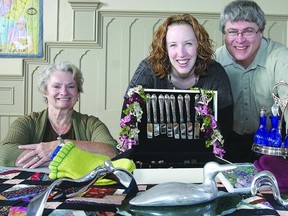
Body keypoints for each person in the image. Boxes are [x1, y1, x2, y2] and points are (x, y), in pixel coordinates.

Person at [123, 14, 234, 148]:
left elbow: (225, 132)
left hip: (203, 158)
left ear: (199, 45)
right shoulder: (147, 71)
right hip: (152, 154)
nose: (181, 53)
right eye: (173, 45)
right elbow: (128, 124)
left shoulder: (215, 73)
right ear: (165, 48)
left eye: (188, 44)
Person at [0, 62, 119, 168]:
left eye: (71, 86)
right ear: (45, 91)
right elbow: (4, 154)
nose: (64, 92)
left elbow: (112, 152)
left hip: (79, 188)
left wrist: (62, 145)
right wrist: (70, 158)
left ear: (78, 92)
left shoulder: (92, 124)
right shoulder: (27, 122)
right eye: (56, 86)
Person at [215, 0, 288, 162]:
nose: (240, 40)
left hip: (274, 144)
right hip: (229, 143)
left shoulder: (282, 59)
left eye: (248, 31)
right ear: (224, 35)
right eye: (232, 32)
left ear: (260, 32)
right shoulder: (215, 61)